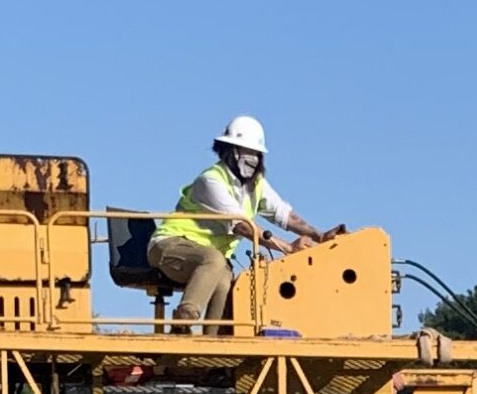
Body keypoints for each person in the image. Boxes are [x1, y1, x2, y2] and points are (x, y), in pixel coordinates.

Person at [113, 115, 333, 327]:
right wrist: (287, 247)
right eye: (246, 151)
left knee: (226, 280)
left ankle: (211, 346)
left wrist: (319, 236)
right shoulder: (211, 181)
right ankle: (184, 319)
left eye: (256, 153)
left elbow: (284, 215)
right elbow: (242, 226)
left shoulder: (256, 186)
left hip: (208, 259)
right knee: (215, 261)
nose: (252, 159)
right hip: (169, 247)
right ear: (230, 151)